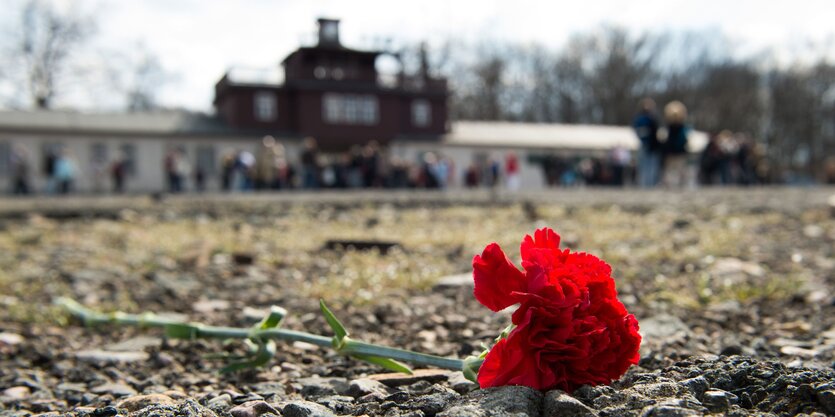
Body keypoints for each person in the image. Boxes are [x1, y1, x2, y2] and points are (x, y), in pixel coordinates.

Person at [633, 98, 661, 187]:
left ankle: (651, 185)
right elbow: (639, 131)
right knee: (644, 167)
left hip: (653, 147)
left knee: (653, 168)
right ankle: (644, 185)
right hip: (645, 146)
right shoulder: (640, 119)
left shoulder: (654, 118)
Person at [661, 101, 690, 188]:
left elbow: (684, 140)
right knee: (670, 171)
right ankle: (670, 185)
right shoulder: (669, 128)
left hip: (678, 152)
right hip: (671, 152)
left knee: (680, 170)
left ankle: (680, 185)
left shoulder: (682, 128)